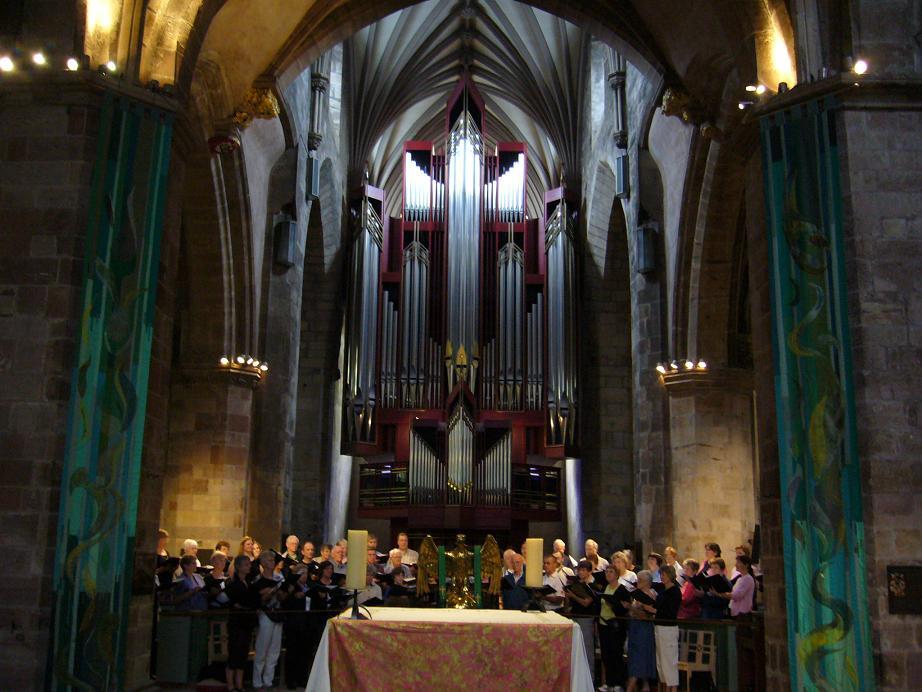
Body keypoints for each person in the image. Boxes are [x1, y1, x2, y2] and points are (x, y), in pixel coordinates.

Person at [598, 552, 634, 692]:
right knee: (606, 655)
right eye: (607, 572)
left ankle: (619, 683)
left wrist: (614, 604)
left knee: (616, 655)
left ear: (617, 575)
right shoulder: (605, 588)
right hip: (603, 624)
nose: (608, 574)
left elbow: (625, 608)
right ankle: (609, 683)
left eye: (611, 572)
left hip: (616, 626)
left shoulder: (622, 589)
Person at [253, 552, 287, 691]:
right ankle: (257, 682)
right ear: (262, 562)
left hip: (278, 613)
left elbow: (283, 597)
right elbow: (259, 599)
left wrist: (281, 592)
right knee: (262, 648)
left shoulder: (280, 577)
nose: (273, 562)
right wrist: (270, 591)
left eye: (273, 559)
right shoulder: (258, 579)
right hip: (265, 614)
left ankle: (268, 680)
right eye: (269, 559)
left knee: (274, 650)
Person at [225, 555, 258, 692]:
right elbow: (232, 602)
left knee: (243, 654)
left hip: (247, 622)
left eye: (249, 564)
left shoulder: (249, 583)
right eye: (246, 565)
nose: (248, 567)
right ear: (238, 567)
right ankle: (230, 685)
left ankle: (239, 684)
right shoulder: (233, 583)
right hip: (237, 622)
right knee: (234, 653)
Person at [649, 565, 681, 692]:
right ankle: (665, 686)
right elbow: (658, 605)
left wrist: (654, 611)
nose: (662, 577)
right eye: (661, 574)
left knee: (669, 659)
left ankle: (673, 688)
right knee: (661, 660)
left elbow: (670, 611)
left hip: (668, 628)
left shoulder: (675, 591)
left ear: (670, 575)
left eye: (664, 574)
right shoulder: (663, 590)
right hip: (659, 626)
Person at [624, 570, 657, 692]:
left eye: (640, 580)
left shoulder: (651, 595)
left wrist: (634, 608)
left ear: (647, 582)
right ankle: (645, 684)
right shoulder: (635, 594)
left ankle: (630, 686)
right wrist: (628, 607)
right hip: (634, 627)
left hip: (644, 629)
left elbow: (648, 616)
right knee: (633, 654)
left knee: (641, 655)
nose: (638, 582)